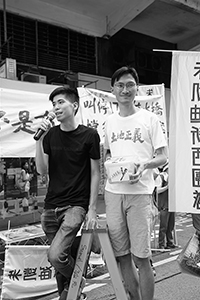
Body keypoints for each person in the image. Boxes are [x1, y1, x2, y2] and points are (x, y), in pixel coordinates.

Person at [104, 66, 167, 300]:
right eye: (120, 85)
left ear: (136, 89)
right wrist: (109, 166)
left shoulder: (149, 119)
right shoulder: (109, 122)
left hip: (140, 193)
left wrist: (144, 166)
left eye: (130, 85)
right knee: (122, 255)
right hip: (113, 193)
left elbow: (163, 156)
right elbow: (109, 155)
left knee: (141, 257)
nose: (125, 89)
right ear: (113, 90)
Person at [35, 86, 101, 300]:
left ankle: (77, 281)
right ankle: (72, 295)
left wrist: (92, 209)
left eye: (61, 102)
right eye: (54, 104)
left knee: (55, 256)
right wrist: (39, 139)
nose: (56, 107)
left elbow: (95, 173)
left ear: (74, 105)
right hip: (50, 207)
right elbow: (41, 170)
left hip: (75, 206)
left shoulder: (90, 135)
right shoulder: (50, 135)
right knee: (62, 256)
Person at [156, 161, 176, 249]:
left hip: (171, 204)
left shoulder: (173, 178)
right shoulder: (161, 177)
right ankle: (161, 245)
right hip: (164, 205)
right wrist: (167, 187)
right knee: (163, 226)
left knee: (171, 225)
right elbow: (156, 191)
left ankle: (170, 243)